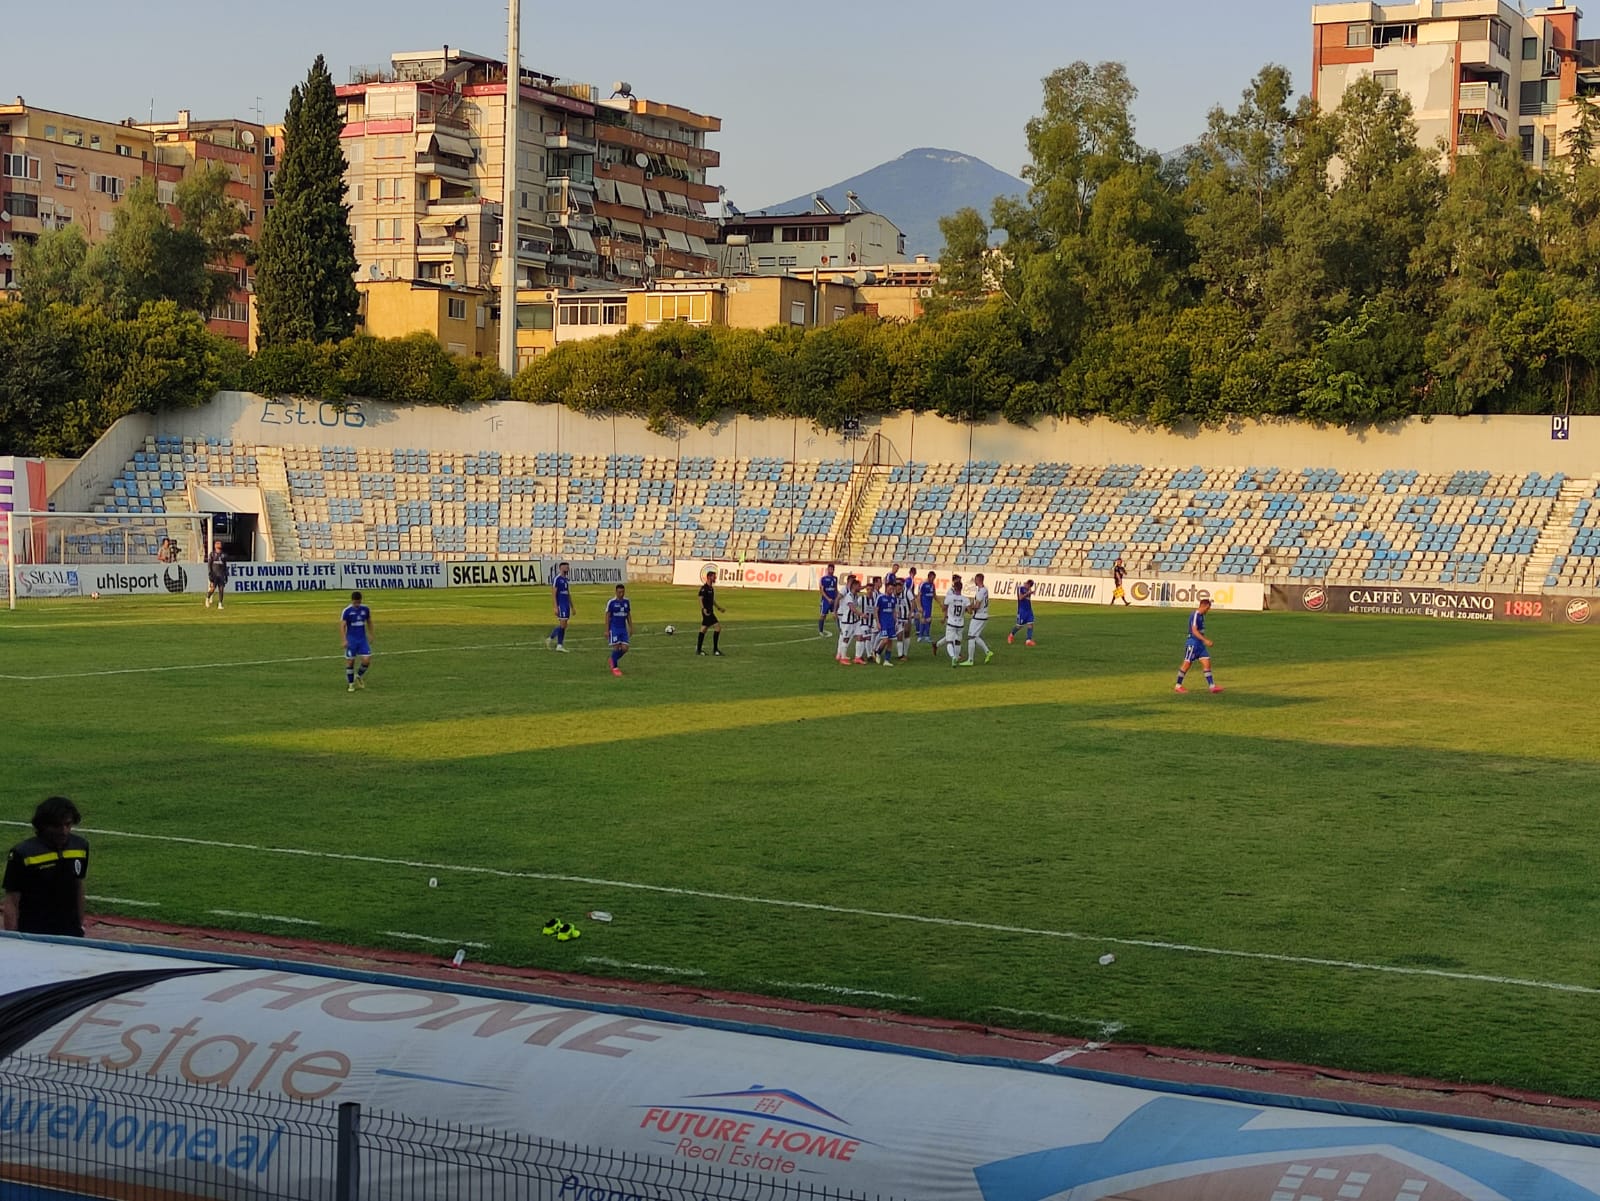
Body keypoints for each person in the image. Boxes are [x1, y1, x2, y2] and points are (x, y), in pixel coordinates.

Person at [2, 796, 89, 937]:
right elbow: (12, 899)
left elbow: (78, 885)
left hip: (70, 932)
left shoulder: (80, 846)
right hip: (34, 932)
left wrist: (79, 924)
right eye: (57, 826)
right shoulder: (23, 853)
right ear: (43, 825)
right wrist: (13, 938)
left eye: (68, 824)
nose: (64, 831)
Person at [1175, 598, 1223, 694]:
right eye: (1208, 608)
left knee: (1206, 662)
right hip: (1193, 643)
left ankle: (1212, 686)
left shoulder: (1201, 616)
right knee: (1187, 664)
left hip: (1200, 645)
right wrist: (1205, 640)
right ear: (1203, 606)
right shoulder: (1195, 615)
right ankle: (1178, 686)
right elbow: (1194, 630)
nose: (1208, 610)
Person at [342, 590, 374, 692]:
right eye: (355, 602)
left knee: (367, 660)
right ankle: (351, 684)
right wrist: (344, 639)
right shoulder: (347, 611)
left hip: (362, 640)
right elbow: (342, 626)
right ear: (352, 601)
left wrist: (371, 634)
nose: (357, 604)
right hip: (351, 640)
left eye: (358, 602)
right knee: (350, 661)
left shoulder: (365, 609)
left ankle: (358, 676)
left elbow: (369, 621)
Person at [937, 575, 969, 667]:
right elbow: (970, 611)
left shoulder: (949, 598)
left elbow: (944, 608)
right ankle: (956, 656)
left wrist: (945, 610)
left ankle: (953, 657)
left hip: (951, 622)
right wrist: (966, 609)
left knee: (949, 642)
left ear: (954, 587)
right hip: (960, 623)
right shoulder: (965, 599)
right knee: (958, 641)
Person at [965, 573, 993, 665]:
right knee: (975, 636)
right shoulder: (985, 590)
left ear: (978, 580)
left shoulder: (980, 592)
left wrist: (968, 608)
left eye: (975, 580)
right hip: (984, 616)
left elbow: (977, 605)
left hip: (978, 617)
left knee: (971, 636)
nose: (975, 582)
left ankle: (970, 660)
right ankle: (987, 652)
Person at [606, 583, 633, 677]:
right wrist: (606, 630)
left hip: (623, 628)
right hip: (614, 628)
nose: (621, 594)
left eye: (622, 592)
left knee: (625, 648)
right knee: (616, 647)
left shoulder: (626, 602)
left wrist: (631, 626)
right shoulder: (611, 602)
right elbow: (608, 616)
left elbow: (628, 615)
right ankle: (615, 668)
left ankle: (613, 659)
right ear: (616, 592)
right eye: (619, 592)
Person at [697, 569, 726, 656]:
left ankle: (699, 649)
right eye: (714, 576)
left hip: (710, 611)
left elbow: (712, 600)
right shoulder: (704, 588)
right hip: (707, 612)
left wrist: (718, 608)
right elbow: (700, 598)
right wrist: (703, 609)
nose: (715, 578)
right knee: (717, 628)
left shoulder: (711, 588)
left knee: (703, 629)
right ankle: (715, 650)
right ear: (709, 577)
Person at [546, 561, 573, 653]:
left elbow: (568, 593)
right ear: (561, 568)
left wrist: (572, 606)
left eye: (568, 567)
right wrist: (555, 607)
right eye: (566, 567)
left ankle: (555, 642)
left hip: (566, 605)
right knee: (562, 625)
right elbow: (553, 594)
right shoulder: (557, 579)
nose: (568, 568)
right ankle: (556, 643)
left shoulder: (565, 579)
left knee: (564, 625)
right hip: (561, 605)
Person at [836, 577, 863, 665]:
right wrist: (861, 614)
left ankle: (857, 657)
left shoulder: (855, 596)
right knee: (846, 639)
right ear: (854, 586)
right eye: (859, 586)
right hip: (847, 622)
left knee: (860, 636)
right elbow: (852, 608)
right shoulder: (849, 596)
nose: (860, 588)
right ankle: (842, 658)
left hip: (855, 621)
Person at [874, 577, 898, 666]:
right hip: (883, 622)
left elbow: (894, 611)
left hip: (891, 623)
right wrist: (877, 622)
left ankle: (887, 661)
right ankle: (877, 652)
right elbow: (876, 610)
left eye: (892, 589)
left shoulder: (893, 599)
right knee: (885, 640)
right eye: (890, 588)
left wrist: (896, 621)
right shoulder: (880, 597)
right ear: (886, 588)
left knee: (890, 642)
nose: (891, 590)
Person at [1009, 580, 1037, 647]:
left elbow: (1027, 597)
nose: (1027, 586)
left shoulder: (1028, 590)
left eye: (1029, 585)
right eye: (1028, 584)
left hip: (1029, 610)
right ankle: (1011, 635)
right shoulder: (1020, 588)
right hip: (1022, 611)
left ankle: (1028, 640)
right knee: (1019, 626)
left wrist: (1030, 592)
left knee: (1030, 624)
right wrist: (1028, 593)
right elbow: (1020, 598)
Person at [204, 539, 229, 610]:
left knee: (221, 589)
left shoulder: (224, 555)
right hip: (214, 575)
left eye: (219, 543)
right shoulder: (212, 554)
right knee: (212, 589)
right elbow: (209, 565)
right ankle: (207, 598)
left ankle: (220, 604)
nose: (218, 544)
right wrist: (210, 574)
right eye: (217, 543)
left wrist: (226, 575)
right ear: (215, 545)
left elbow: (225, 565)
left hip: (221, 575)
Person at [818, 564, 839, 636]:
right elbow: (822, 590)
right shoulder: (823, 579)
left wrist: (838, 597)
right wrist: (828, 598)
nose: (831, 570)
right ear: (828, 569)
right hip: (825, 600)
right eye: (830, 569)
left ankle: (840, 630)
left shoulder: (835, 578)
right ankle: (820, 630)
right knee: (823, 615)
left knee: (835, 614)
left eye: (832, 569)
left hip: (833, 600)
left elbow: (835, 589)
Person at [917, 570, 937, 643]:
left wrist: (940, 603)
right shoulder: (923, 584)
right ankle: (921, 636)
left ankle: (926, 636)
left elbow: (934, 595)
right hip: (924, 605)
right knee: (923, 620)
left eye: (934, 578)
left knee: (929, 620)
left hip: (930, 605)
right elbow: (918, 596)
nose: (933, 580)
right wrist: (919, 606)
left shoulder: (933, 585)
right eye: (932, 578)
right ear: (929, 577)